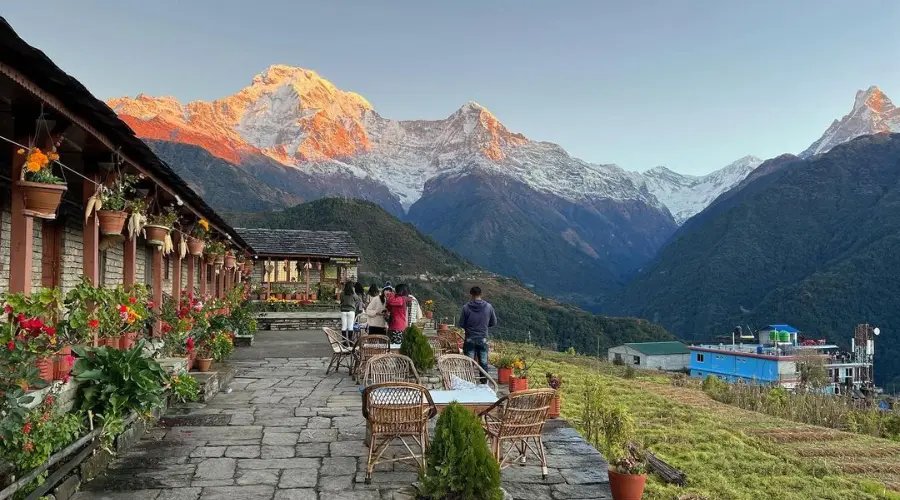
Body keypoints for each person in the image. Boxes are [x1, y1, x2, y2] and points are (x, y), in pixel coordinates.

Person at [458, 286, 498, 377]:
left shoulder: (466, 307)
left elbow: (461, 323)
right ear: (481, 294)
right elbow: (494, 322)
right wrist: (483, 326)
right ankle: (483, 382)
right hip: (483, 338)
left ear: (471, 295)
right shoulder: (488, 307)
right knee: (483, 362)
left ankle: (469, 381)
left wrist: (469, 328)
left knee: (469, 363)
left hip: (470, 338)